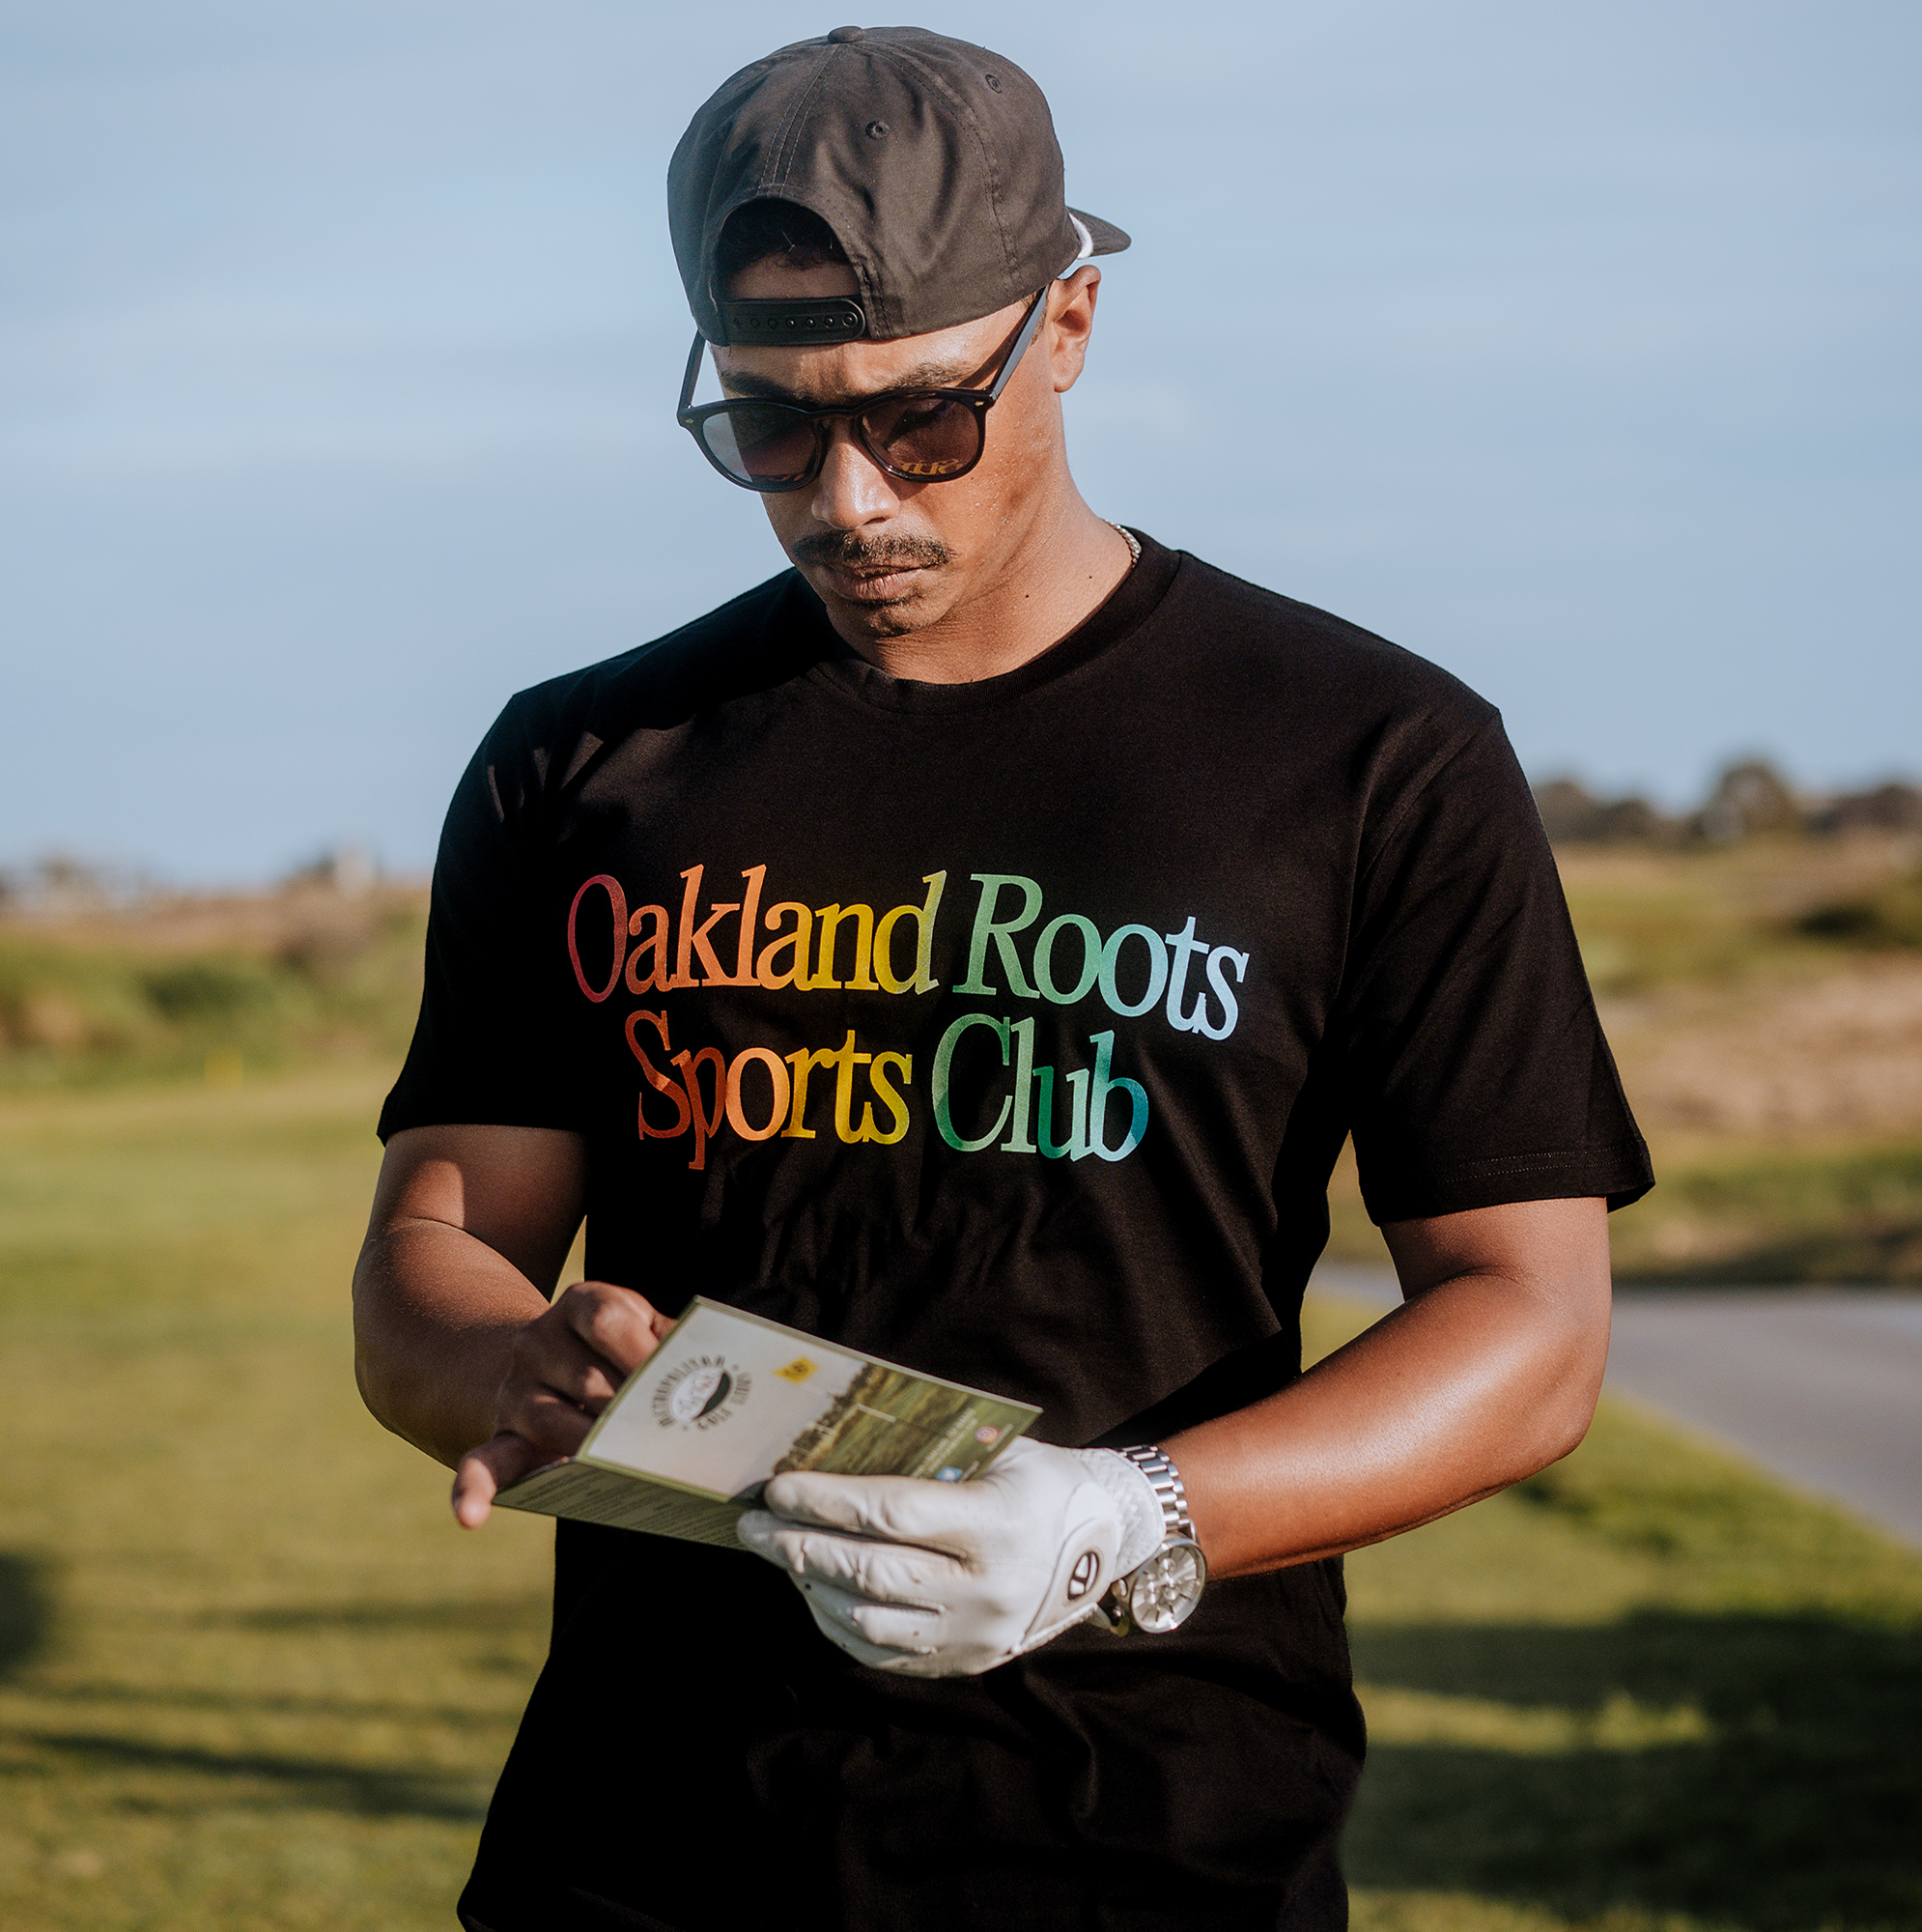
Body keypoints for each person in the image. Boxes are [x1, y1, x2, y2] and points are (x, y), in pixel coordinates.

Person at [353, 24, 1652, 1932]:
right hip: (639, 1850)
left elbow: (1532, 1329)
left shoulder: (1367, 755)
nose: (850, 499)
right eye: (772, 426)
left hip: (1156, 1849)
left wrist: (1123, 1523)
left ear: (1068, 322)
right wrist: (506, 1362)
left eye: (918, 417)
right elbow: (420, 1281)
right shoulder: (581, 764)